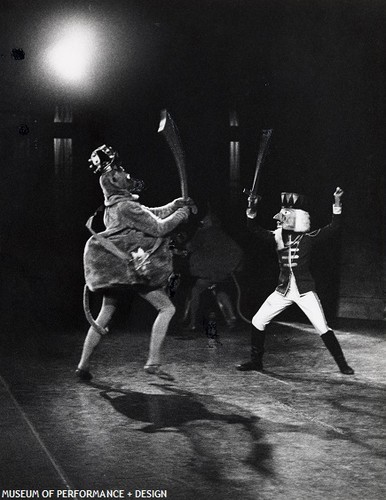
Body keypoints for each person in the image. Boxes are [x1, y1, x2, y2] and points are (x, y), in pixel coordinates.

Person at [76, 145, 195, 381]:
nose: (125, 172)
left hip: (118, 271)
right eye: (120, 170)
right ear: (113, 179)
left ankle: (83, 365)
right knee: (167, 308)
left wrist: (174, 206)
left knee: (105, 312)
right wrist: (180, 216)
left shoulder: (114, 206)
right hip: (131, 271)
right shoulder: (127, 206)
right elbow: (159, 226)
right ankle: (152, 361)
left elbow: (150, 213)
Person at [236, 187, 354, 375]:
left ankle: (343, 365)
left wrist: (337, 202)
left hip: (304, 291)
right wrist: (251, 207)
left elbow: (334, 227)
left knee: (322, 327)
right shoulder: (276, 237)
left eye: (286, 216)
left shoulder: (308, 238)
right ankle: (256, 361)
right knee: (258, 320)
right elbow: (253, 228)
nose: (281, 219)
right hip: (283, 290)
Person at [184, 211, 243, 330]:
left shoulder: (202, 233)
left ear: (210, 221)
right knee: (220, 292)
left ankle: (192, 323)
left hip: (206, 271)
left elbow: (190, 247)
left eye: (205, 220)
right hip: (221, 272)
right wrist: (233, 266)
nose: (203, 222)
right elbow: (237, 250)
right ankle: (231, 319)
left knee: (195, 291)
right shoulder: (221, 234)